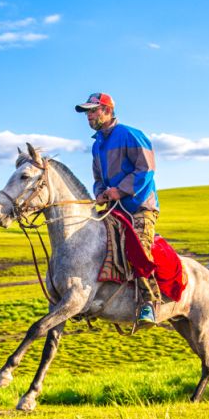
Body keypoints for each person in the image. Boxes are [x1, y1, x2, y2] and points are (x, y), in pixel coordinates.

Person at [75, 92, 161, 326]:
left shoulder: (131, 135)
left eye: (93, 110)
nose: (89, 116)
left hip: (140, 207)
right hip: (114, 208)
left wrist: (119, 191)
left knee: (139, 249)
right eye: (87, 112)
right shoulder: (97, 146)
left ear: (108, 110)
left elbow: (146, 169)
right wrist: (101, 192)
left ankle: (149, 304)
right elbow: (97, 178)